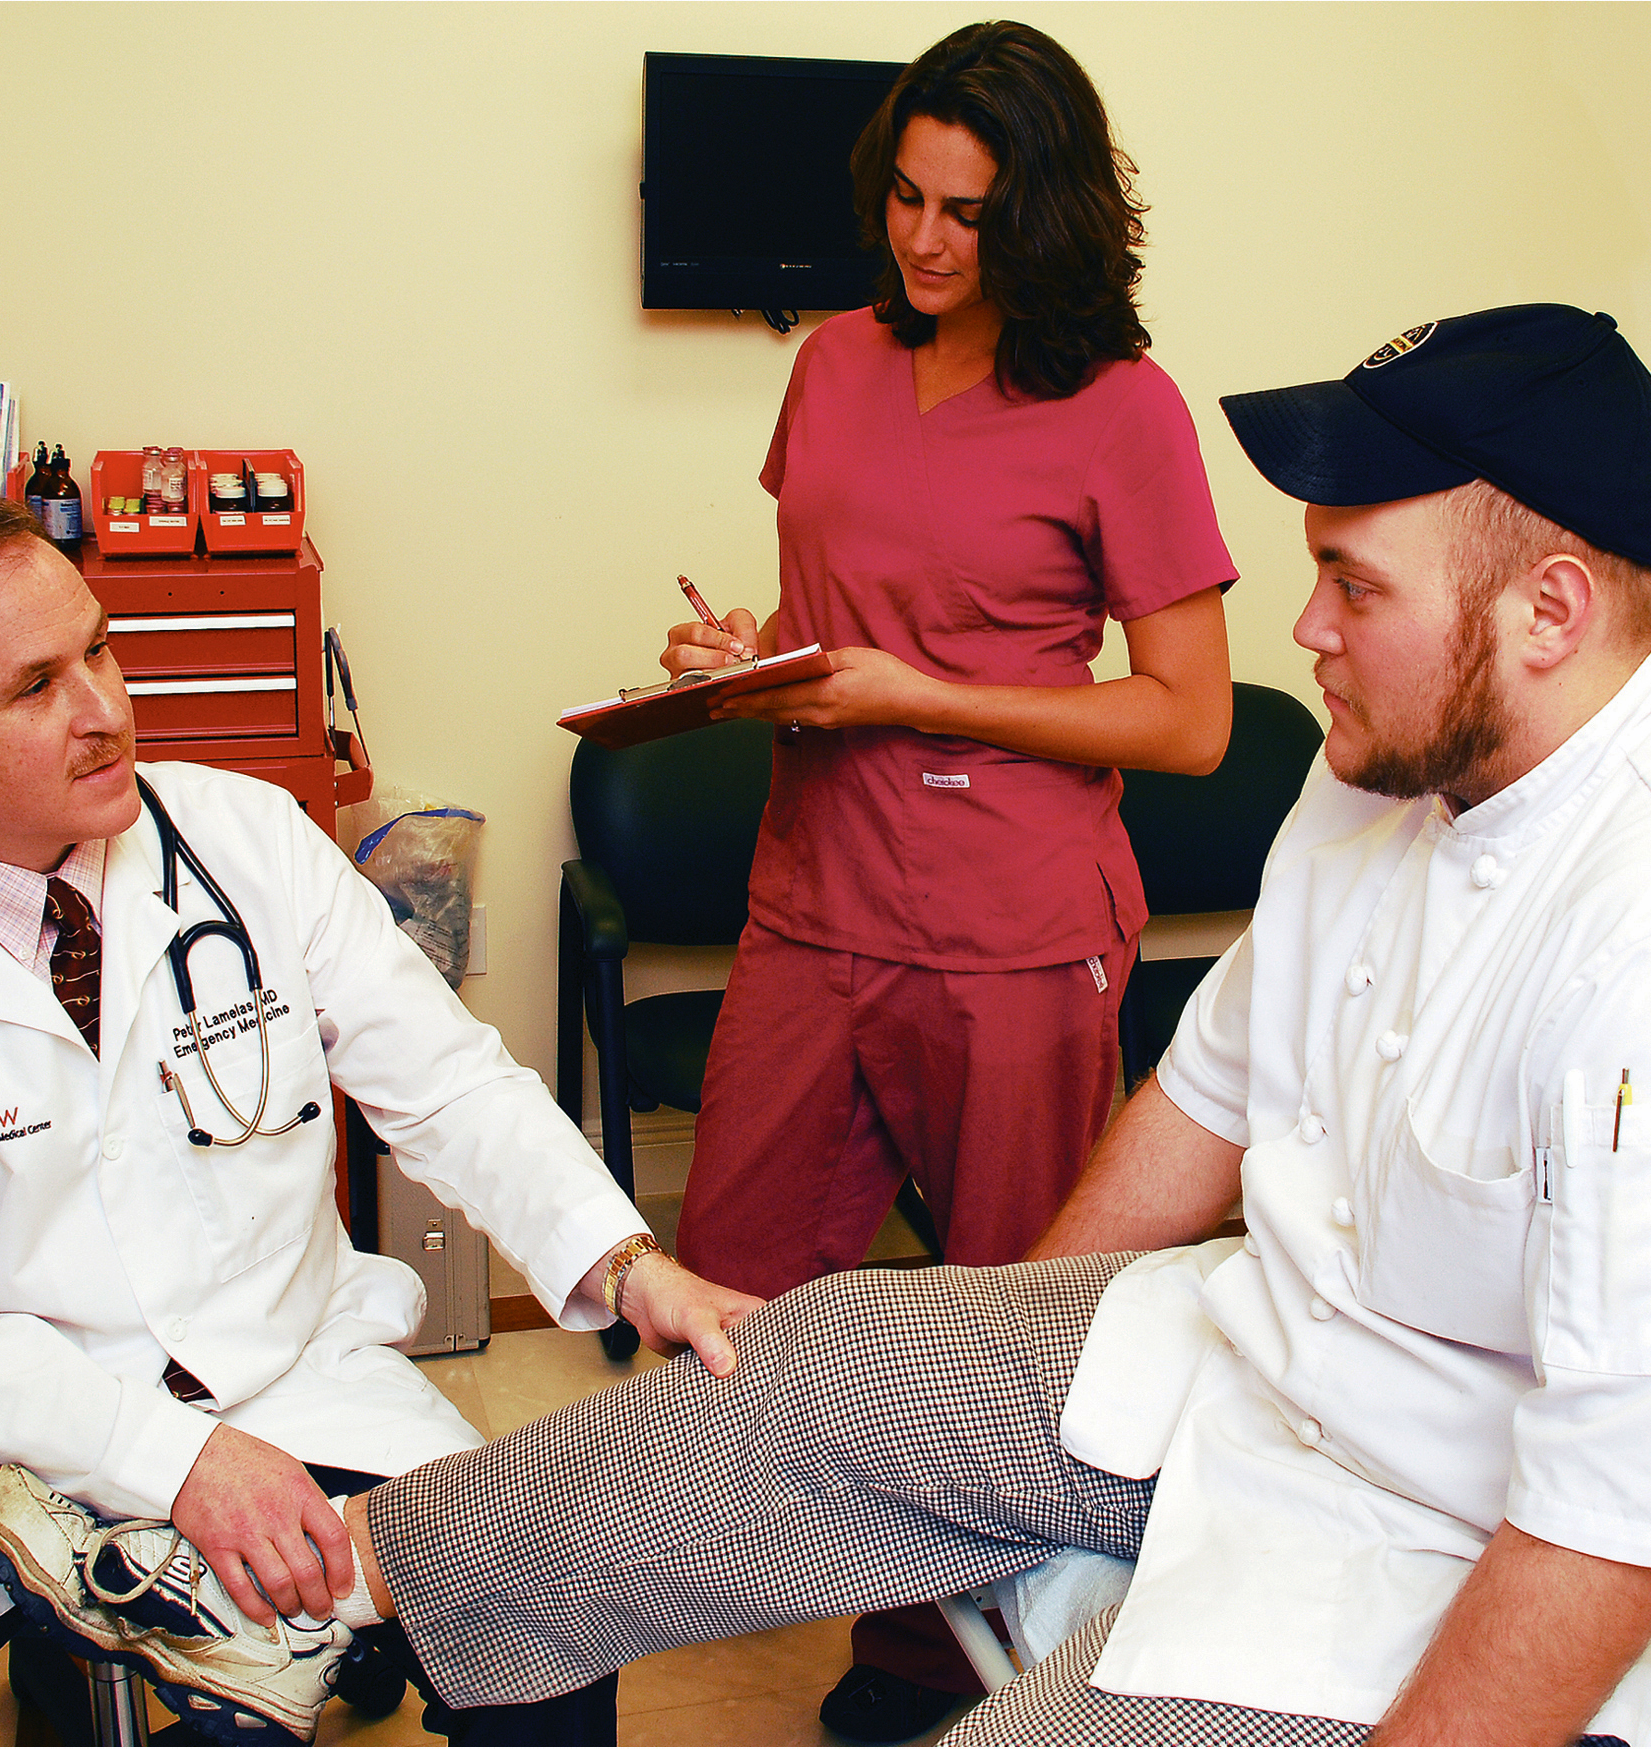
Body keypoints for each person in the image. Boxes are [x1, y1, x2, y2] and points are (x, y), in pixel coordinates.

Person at [0, 303, 1651, 1746]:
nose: (1303, 633)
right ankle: (334, 1597)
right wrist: (1002, 1412)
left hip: (1532, 1551)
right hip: (1304, 1367)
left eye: (1352, 585)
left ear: (1551, 610)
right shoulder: (1388, 784)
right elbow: (1205, 1097)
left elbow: (1614, 1532)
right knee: (819, 1347)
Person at [0, 488, 759, 1746]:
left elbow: (451, 1084)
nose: (103, 708)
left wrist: (632, 1266)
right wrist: (174, 1460)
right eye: (34, 687)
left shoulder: (249, 843)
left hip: (289, 1378)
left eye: (98, 649)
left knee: (548, 1639)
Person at [664, 22, 1235, 1729]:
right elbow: (841, 612)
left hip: (1009, 924)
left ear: (1041, 214)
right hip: (813, 893)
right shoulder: (837, 362)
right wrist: (747, 657)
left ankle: (936, 1656)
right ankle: (766, 1556)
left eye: (967, 213)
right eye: (905, 198)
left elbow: (1190, 717)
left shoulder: (1121, 409)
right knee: (735, 1272)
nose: (922, 240)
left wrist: (916, 695)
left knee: (1007, 1317)